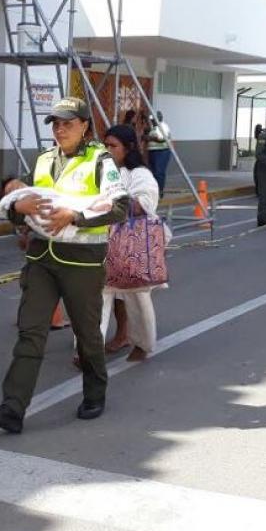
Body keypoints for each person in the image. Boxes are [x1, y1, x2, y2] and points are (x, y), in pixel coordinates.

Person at [0, 97, 129, 434]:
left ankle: (95, 392)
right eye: (56, 124)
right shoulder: (44, 160)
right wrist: (18, 205)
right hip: (41, 259)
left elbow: (121, 208)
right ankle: (12, 408)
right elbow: (27, 205)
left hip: (83, 262)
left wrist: (74, 216)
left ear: (84, 126)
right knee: (31, 332)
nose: (60, 129)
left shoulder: (99, 160)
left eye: (68, 123)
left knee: (87, 335)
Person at [99, 123, 163, 362]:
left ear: (128, 147)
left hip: (134, 245)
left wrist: (112, 204)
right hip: (105, 244)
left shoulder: (141, 175)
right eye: (105, 145)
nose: (107, 150)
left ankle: (142, 344)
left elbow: (145, 204)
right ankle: (87, 349)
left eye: (112, 145)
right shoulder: (105, 172)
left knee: (136, 298)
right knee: (101, 296)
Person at [146, 111, 172, 194]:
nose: (152, 121)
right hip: (153, 151)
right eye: (151, 120)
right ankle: (153, 190)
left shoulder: (163, 126)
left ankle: (159, 190)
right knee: (152, 172)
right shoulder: (153, 127)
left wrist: (149, 137)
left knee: (159, 172)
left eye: (153, 119)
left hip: (162, 151)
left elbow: (161, 138)